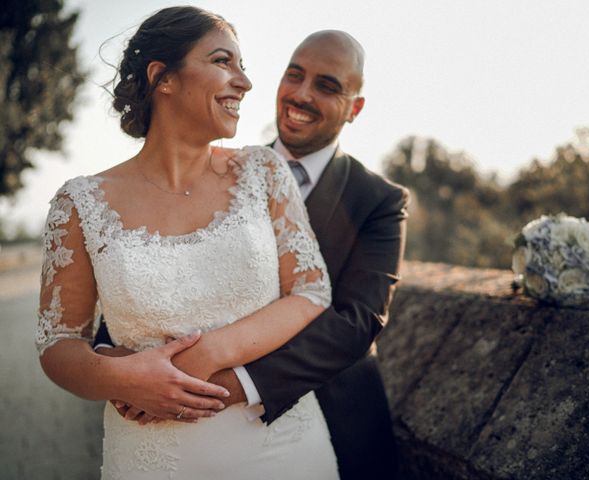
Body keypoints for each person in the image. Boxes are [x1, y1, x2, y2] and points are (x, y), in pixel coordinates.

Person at [36, 6, 340, 479]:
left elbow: (311, 291)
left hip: (284, 447)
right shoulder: (80, 203)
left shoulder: (263, 172)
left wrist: (206, 356)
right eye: (224, 62)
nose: (244, 82)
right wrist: (123, 377)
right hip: (154, 458)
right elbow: (59, 344)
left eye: (243, 66)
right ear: (163, 78)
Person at [98, 29, 410, 479]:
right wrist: (114, 357)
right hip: (190, 432)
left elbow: (357, 321)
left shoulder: (379, 199)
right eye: (294, 76)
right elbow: (156, 266)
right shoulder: (220, 169)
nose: (300, 95)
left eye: (326, 86)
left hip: (336, 421)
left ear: (355, 107)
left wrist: (221, 384)